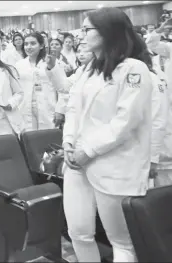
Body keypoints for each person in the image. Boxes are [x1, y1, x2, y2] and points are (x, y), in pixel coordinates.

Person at [61, 8, 152, 262]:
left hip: (113, 164)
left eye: (88, 29)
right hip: (77, 162)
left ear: (107, 32)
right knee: (78, 232)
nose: (82, 34)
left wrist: (88, 150)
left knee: (121, 242)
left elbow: (126, 121)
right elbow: (72, 108)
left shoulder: (134, 69)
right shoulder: (88, 69)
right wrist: (68, 142)